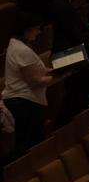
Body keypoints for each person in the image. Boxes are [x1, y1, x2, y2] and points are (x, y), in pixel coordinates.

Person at [4, 18, 55, 160]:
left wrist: (53, 70)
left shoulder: (15, 44)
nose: (39, 32)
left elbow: (36, 71)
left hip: (24, 101)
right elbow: (35, 81)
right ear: (27, 30)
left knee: (27, 142)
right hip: (25, 102)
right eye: (36, 28)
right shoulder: (22, 50)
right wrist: (60, 75)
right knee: (29, 145)